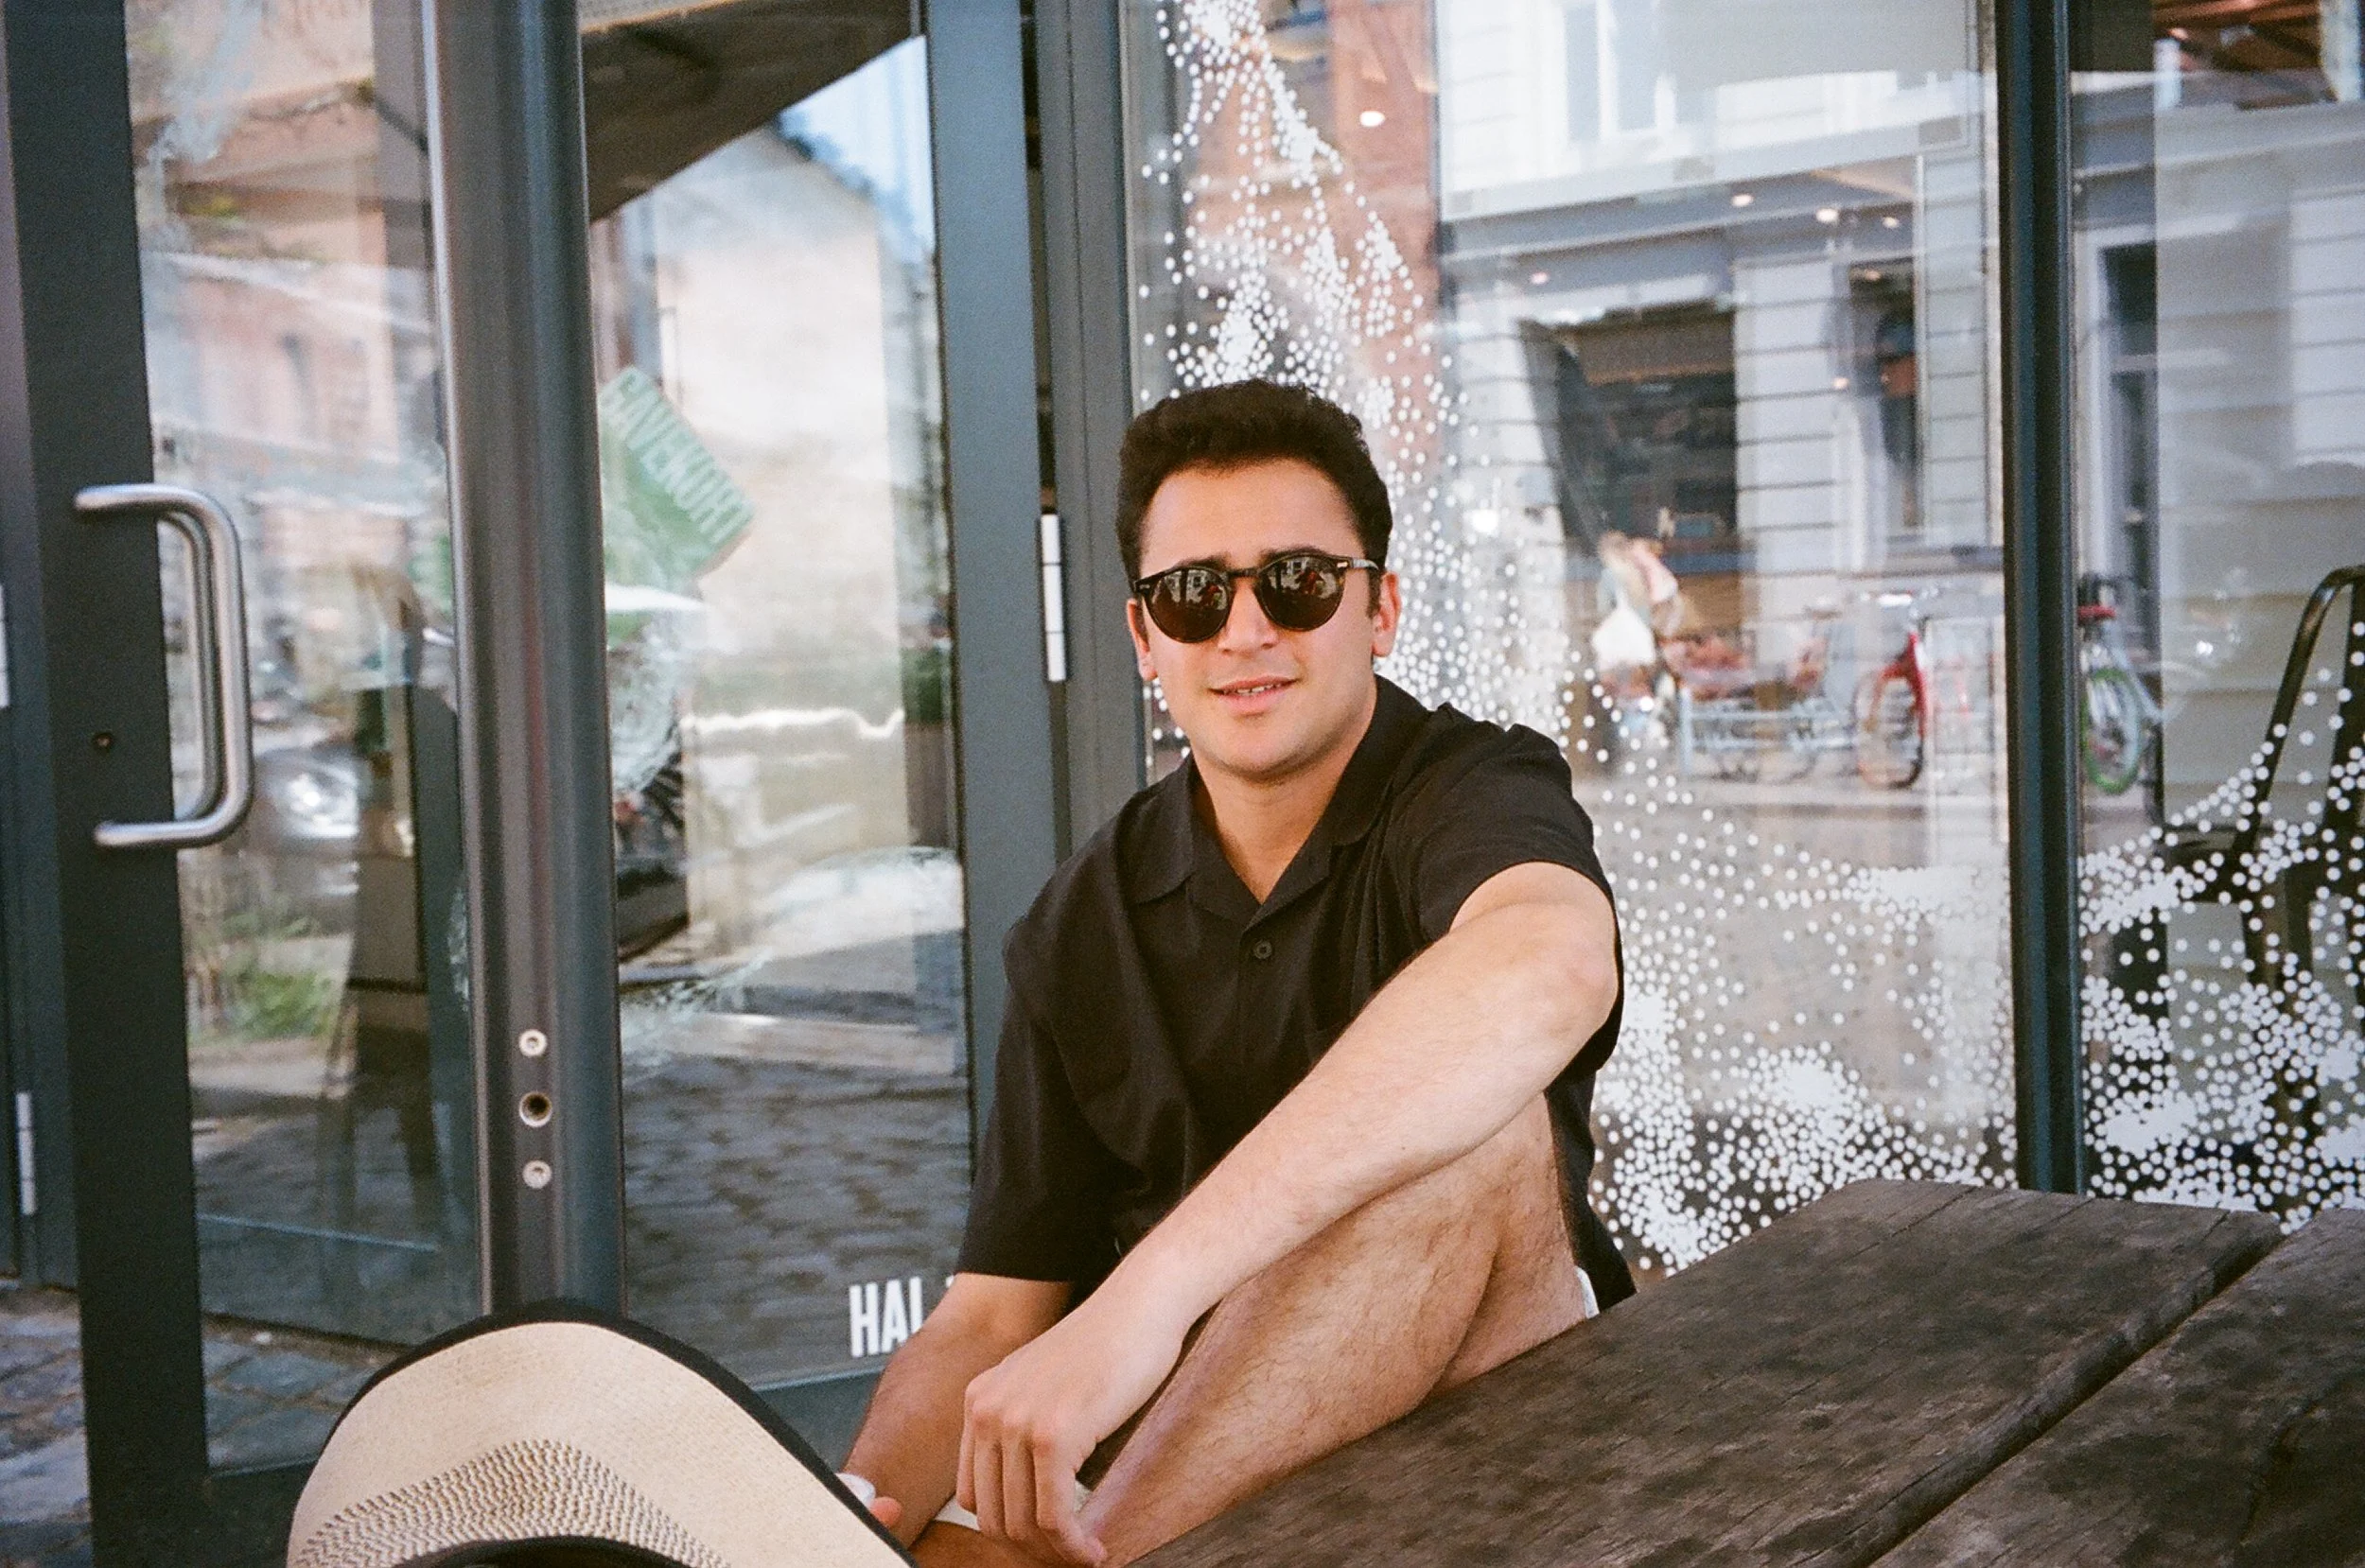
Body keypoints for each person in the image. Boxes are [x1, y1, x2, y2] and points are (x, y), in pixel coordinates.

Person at [839, 380, 1630, 1567]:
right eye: (1194, 595)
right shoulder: (1081, 918)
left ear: (1380, 608)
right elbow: (994, 1313)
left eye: (1297, 583)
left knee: (1478, 1134)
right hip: (1189, 1475)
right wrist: (849, 1511)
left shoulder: (1471, 787)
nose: (1245, 630)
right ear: (1144, 637)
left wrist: (1144, 1300)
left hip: (1487, 1436)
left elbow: (1549, 960)